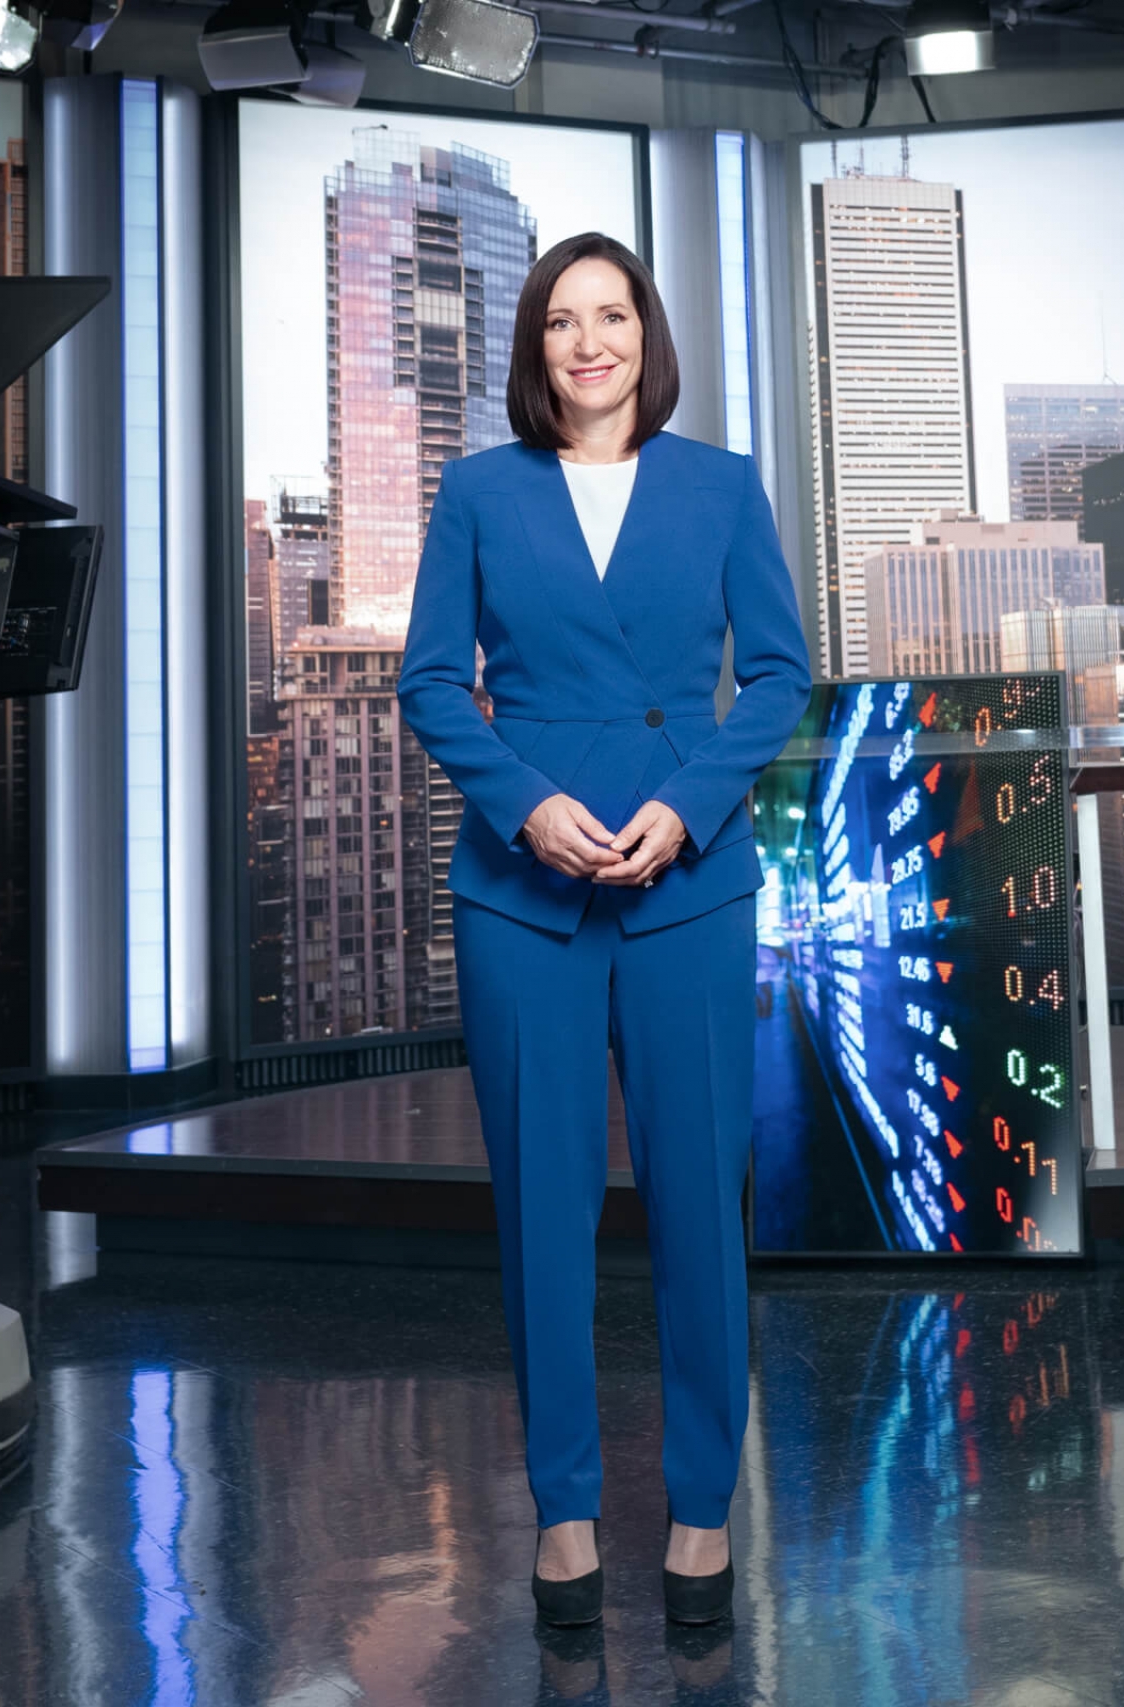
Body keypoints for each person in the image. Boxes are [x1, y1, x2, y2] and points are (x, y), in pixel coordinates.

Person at [394, 232, 811, 1628]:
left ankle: (702, 1513)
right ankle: (562, 1514)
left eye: (612, 315)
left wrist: (686, 811)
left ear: (647, 334)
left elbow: (778, 677)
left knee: (702, 1203)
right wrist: (528, 807)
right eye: (563, 320)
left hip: (689, 886)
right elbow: (434, 685)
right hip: (528, 894)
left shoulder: (723, 488)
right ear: (536, 346)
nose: (589, 342)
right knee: (544, 1215)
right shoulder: (477, 492)